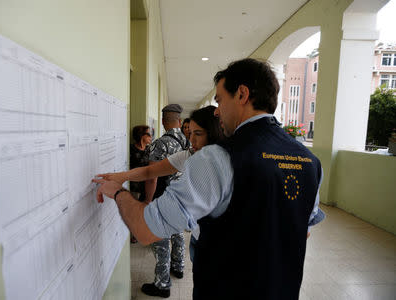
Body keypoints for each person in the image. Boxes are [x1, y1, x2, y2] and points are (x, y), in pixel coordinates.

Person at [94, 58, 323, 299]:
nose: (216, 110)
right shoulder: (310, 161)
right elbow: (301, 231)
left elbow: (145, 229)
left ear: (242, 94)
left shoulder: (218, 158)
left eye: (220, 100)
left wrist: (118, 192)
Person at [98, 105, 224, 261]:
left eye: (198, 134)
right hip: (197, 234)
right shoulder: (191, 154)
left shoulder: (216, 168)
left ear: (215, 133)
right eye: (190, 133)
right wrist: (121, 176)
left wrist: (118, 192)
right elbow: (150, 171)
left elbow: (144, 233)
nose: (191, 140)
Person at [143, 103, 189, 297]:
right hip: (182, 197)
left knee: (161, 240)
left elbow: (152, 176)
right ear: (179, 121)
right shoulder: (189, 140)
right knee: (177, 231)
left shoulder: (159, 144)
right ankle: (178, 267)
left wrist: (147, 201)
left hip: (163, 199)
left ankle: (162, 285)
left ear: (163, 121)